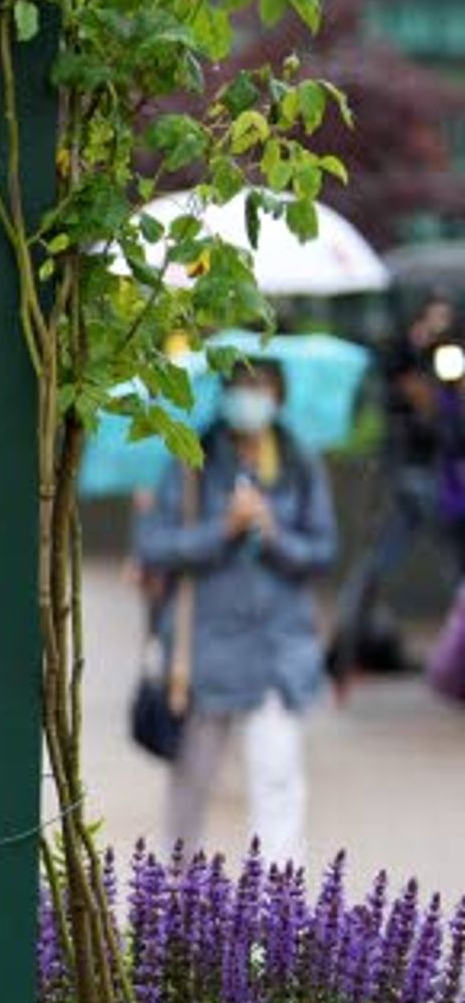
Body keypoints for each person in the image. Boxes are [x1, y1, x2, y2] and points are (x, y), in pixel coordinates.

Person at [137, 354, 335, 855]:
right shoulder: (188, 461)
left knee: (279, 784)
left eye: (262, 387)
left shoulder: (299, 464)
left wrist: (273, 534)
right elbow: (155, 544)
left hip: (278, 653)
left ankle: (277, 914)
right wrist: (220, 530)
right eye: (242, 386)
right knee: (191, 785)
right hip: (205, 653)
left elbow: (322, 552)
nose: (251, 398)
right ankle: (174, 905)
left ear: (279, 398)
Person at [342, 295, 465, 674]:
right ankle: (347, 643)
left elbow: (452, 431)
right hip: (405, 476)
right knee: (376, 562)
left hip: (445, 484)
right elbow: (395, 405)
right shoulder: (400, 356)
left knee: (455, 570)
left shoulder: (451, 357)